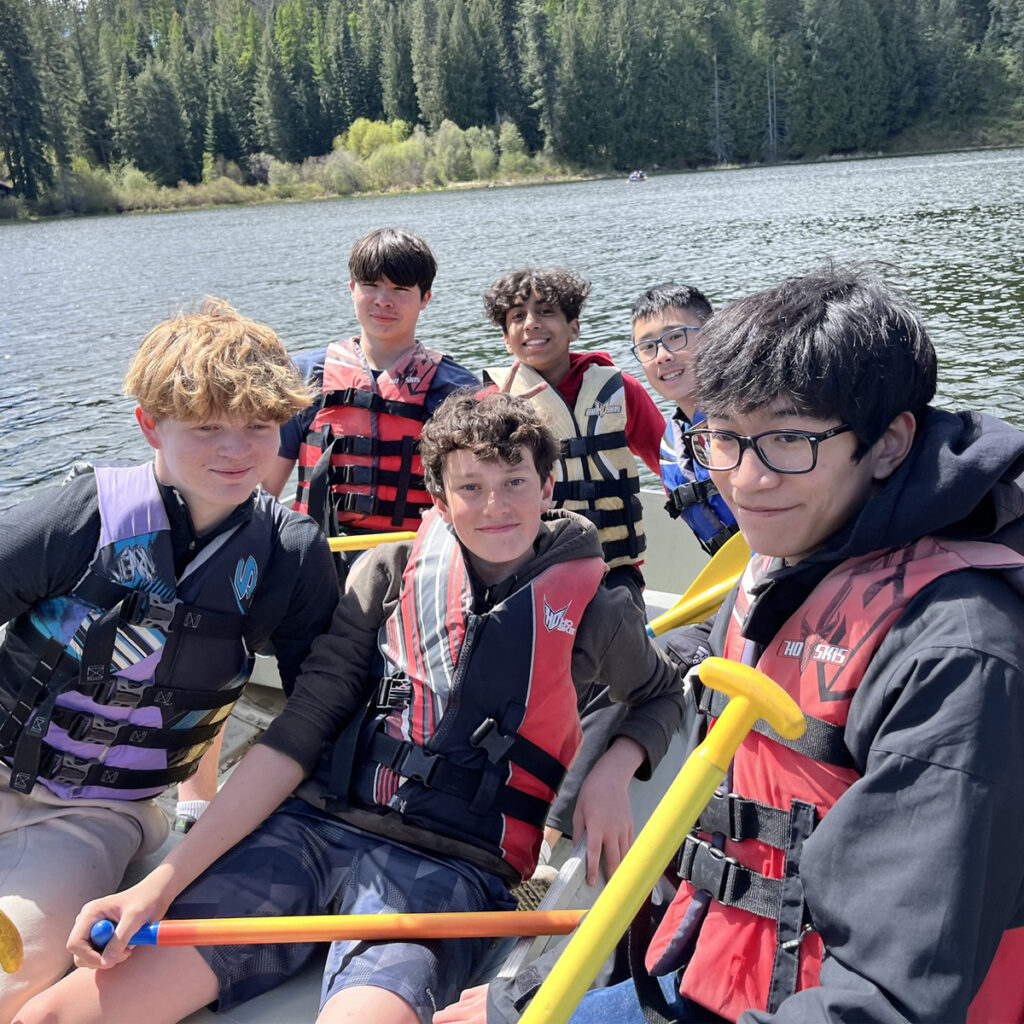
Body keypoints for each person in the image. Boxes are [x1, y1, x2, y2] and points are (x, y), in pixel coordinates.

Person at [437, 263, 1024, 1024]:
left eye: (787, 440)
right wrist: (528, 995)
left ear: (889, 443)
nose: (746, 480)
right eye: (724, 438)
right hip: (714, 973)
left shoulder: (956, 654)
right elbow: (699, 688)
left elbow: (885, 999)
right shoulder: (790, 559)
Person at [24, 391, 687, 1024]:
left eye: (515, 483)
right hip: (309, 831)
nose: (495, 506)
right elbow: (298, 731)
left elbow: (661, 693)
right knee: (55, 1013)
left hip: (449, 871)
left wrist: (613, 768)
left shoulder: (600, 612)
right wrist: (158, 887)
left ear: (548, 489)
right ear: (440, 497)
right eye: (470, 487)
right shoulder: (387, 571)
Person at [0, 299, 340, 1019]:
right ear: (150, 425)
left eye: (258, 425)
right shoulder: (80, 517)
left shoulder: (291, 556)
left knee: (10, 978)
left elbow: (317, 711)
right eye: (207, 427)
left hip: (92, 816)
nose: (235, 449)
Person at [266, 227, 479, 579]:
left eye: (400, 289)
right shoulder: (306, 375)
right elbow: (266, 489)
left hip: (415, 561)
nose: (383, 300)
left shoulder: (454, 387)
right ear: (352, 290)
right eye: (370, 286)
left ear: (425, 298)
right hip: (317, 559)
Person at [482, 267, 665, 607]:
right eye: (518, 316)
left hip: (617, 570)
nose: (532, 323)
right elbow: (472, 487)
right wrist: (496, 425)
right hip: (531, 571)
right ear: (507, 339)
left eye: (546, 311)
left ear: (574, 328)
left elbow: (669, 463)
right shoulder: (491, 400)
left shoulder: (619, 390)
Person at [630, 282, 737, 556]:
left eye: (675, 337)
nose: (662, 357)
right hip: (740, 574)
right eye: (647, 347)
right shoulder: (671, 443)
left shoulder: (754, 415)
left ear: (713, 334)